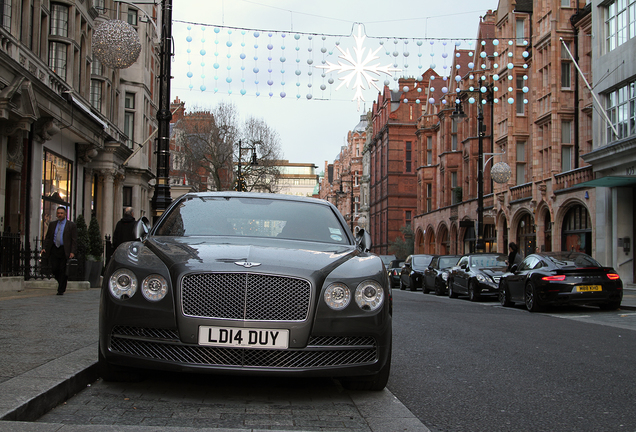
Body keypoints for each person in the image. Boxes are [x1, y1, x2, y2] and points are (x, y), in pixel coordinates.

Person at [42, 206, 77, 295]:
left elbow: (74, 240)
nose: (60, 215)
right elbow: (48, 237)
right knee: (54, 269)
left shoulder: (71, 225)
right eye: (58, 213)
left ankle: (61, 289)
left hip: (64, 249)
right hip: (54, 248)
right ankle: (61, 282)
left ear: (65, 214)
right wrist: (44, 248)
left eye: (61, 213)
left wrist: (72, 251)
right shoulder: (52, 224)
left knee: (63, 270)